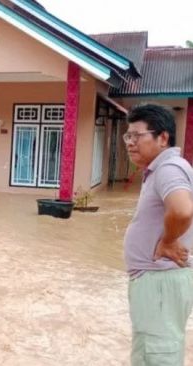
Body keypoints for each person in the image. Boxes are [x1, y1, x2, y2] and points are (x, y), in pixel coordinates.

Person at [123, 103, 193, 365]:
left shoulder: (168, 168)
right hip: (158, 281)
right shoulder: (162, 168)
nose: (130, 143)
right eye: (127, 136)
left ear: (162, 138)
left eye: (137, 136)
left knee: (157, 355)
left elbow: (183, 211)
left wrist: (167, 242)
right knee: (153, 351)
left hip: (160, 282)